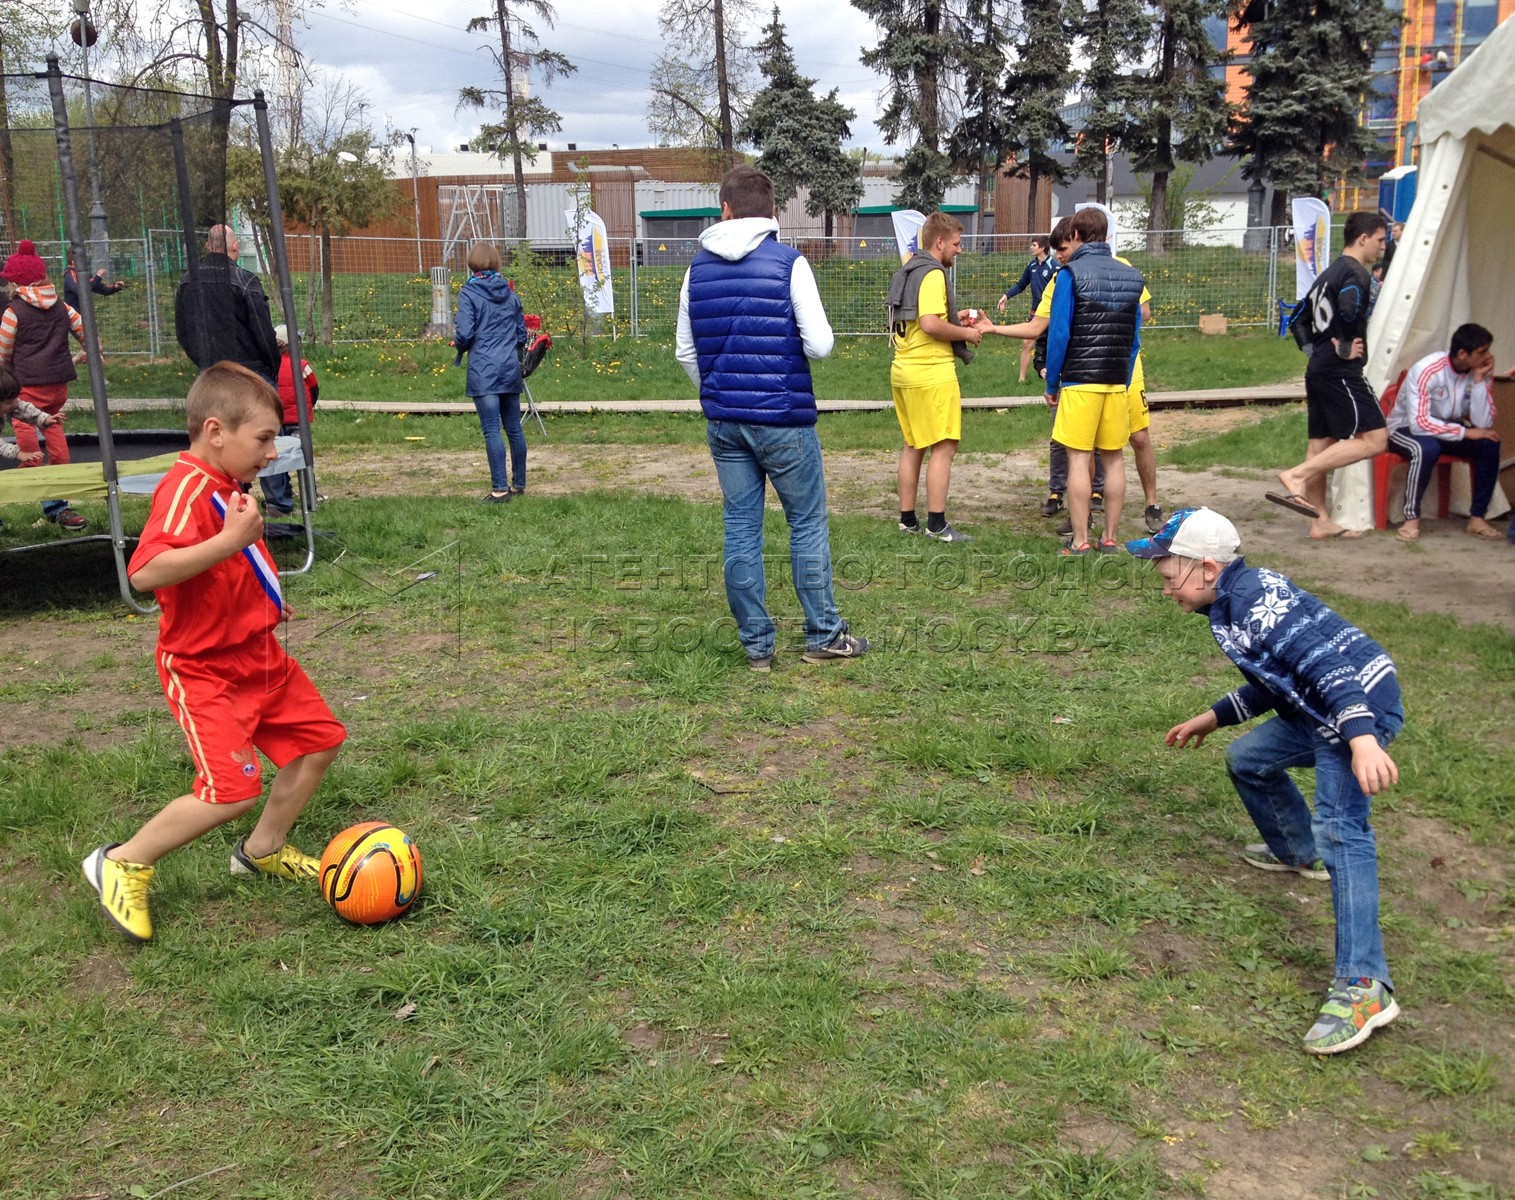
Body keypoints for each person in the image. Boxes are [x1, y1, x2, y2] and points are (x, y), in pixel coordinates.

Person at [81, 362, 347, 945]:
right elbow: (146, 571)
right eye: (263, 439)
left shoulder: (226, 483)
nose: (272, 452)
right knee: (230, 792)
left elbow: (230, 563)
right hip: (206, 670)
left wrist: (262, 598)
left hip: (260, 654)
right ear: (214, 431)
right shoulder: (185, 489)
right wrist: (230, 540)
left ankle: (262, 852)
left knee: (319, 742)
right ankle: (123, 860)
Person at [1131, 506, 1403, 1055]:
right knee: (1250, 759)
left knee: (1343, 830)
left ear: (1207, 568)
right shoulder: (1227, 603)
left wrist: (1362, 738)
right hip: (1316, 708)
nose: (1164, 588)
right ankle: (1297, 851)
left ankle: (1365, 986)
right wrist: (1215, 715)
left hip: (1353, 711)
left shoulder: (1255, 601)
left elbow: (1327, 668)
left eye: (1168, 576)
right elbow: (1279, 681)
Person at [676, 165, 868, 670]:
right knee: (805, 524)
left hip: (725, 422)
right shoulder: (790, 263)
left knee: (741, 527)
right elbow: (821, 344)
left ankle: (757, 647)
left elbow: (684, 352)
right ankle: (824, 634)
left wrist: (718, 391)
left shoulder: (696, 270)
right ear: (772, 212)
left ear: (725, 209)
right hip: (784, 419)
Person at [993, 207, 1144, 553]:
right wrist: (1123, 375)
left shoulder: (1068, 276)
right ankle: (1110, 537)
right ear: (1105, 236)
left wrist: (1051, 384)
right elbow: (1134, 339)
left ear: (1076, 236)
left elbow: (1058, 334)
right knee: (1114, 458)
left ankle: (1081, 540)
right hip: (1116, 379)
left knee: (1078, 458)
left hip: (1079, 380)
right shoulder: (1132, 276)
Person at [1267, 211, 1389, 539]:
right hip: (1340, 372)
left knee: (1320, 445)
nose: (1382, 247)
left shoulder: (1326, 275)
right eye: (1379, 240)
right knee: (1376, 439)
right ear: (1362, 238)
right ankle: (1297, 476)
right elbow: (1350, 309)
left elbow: (1297, 321)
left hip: (1318, 369)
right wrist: (1345, 345)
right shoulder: (1355, 273)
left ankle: (1319, 521)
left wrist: (1315, 350)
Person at [886, 210, 984, 543]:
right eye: (956, 244)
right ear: (939, 242)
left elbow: (918, 320)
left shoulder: (906, 271)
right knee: (944, 445)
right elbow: (929, 323)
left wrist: (957, 320)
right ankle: (937, 525)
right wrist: (965, 334)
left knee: (913, 444)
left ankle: (907, 519)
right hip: (930, 372)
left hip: (903, 370)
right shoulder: (932, 273)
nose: (959, 250)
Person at [174, 224, 287, 513]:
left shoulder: (188, 282)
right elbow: (263, 332)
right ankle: (278, 500)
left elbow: (183, 331)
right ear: (234, 248)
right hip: (249, 372)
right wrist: (270, 368)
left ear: (207, 247)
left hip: (212, 375)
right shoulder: (245, 280)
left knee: (222, 440)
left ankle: (228, 498)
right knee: (264, 437)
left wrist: (203, 363)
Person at [0, 238, 89, 531]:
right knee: (53, 430)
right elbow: (82, 326)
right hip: (57, 386)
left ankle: (32, 478)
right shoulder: (62, 306)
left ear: (16, 284)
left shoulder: (14, 312)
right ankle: (58, 495)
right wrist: (92, 348)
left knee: (25, 429)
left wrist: (4, 375)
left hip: (24, 385)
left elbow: (4, 350)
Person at [1386, 323, 1502, 542]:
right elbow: (1419, 422)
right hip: (1404, 428)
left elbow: (1482, 422)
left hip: (1448, 428)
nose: (1488, 356)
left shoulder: (1480, 370)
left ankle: (1477, 518)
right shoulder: (1428, 369)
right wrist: (1465, 433)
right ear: (1462, 354)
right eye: (1482, 352)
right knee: (1426, 448)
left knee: (1489, 444)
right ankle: (1410, 520)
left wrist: (1480, 381)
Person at [454, 241, 528, 502]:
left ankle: (500, 488)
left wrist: (460, 344)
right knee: (514, 429)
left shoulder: (469, 293)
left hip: (484, 369)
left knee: (491, 429)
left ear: (472, 264)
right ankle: (518, 484)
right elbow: (521, 334)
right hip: (509, 368)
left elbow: (464, 332)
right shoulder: (511, 295)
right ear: (496, 263)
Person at [261, 323, 320, 514]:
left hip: (276, 420)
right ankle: (310, 496)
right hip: (298, 420)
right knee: (303, 457)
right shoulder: (302, 365)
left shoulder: (267, 366)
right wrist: (308, 407)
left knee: (277, 457)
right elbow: (314, 388)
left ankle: (280, 497)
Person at [996, 234, 1057, 385]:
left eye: (1034, 245)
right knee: (1027, 343)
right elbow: (1021, 284)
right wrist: (1006, 296)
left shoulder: (1055, 267)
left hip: (1051, 314)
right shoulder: (1032, 266)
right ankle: (1021, 379)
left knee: (1053, 344)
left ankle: (1053, 376)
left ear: (1043, 248)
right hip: (1035, 312)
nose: (1031, 248)